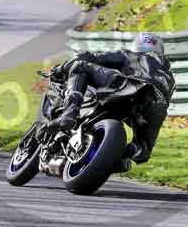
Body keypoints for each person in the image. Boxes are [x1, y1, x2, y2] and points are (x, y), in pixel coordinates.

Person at [47, 32, 175, 166]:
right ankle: (127, 152)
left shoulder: (131, 55)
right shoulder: (170, 76)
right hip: (156, 107)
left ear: (137, 45)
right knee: (144, 147)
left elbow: (92, 58)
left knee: (80, 66)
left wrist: (61, 69)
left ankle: (69, 114)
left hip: (131, 86)